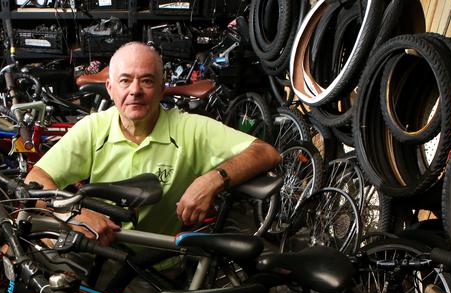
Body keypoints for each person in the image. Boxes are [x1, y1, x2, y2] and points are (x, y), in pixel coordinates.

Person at [25, 42, 281, 244]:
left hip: (157, 265)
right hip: (97, 252)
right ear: (111, 88)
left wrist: (213, 179)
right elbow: (35, 180)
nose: (135, 90)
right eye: (125, 81)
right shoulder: (94, 128)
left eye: (146, 80)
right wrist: (74, 214)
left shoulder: (189, 128)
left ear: (161, 88)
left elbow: (265, 152)